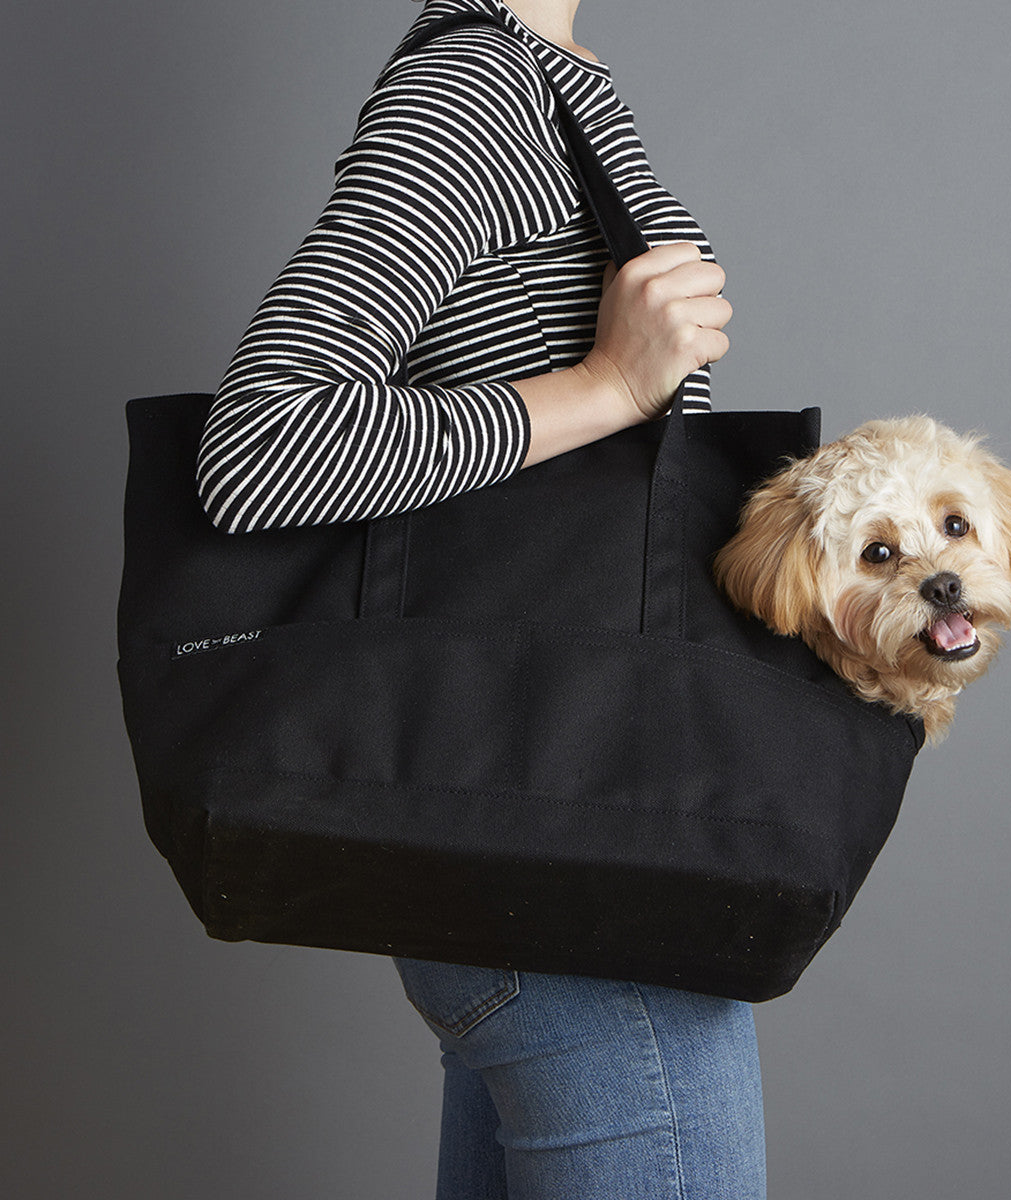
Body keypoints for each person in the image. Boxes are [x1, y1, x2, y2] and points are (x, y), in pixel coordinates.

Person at [197, 1, 761, 1196]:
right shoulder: (476, 89)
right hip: (575, 864)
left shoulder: (557, 73)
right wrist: (609, 385)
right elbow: (258, 446)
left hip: (553, 824)